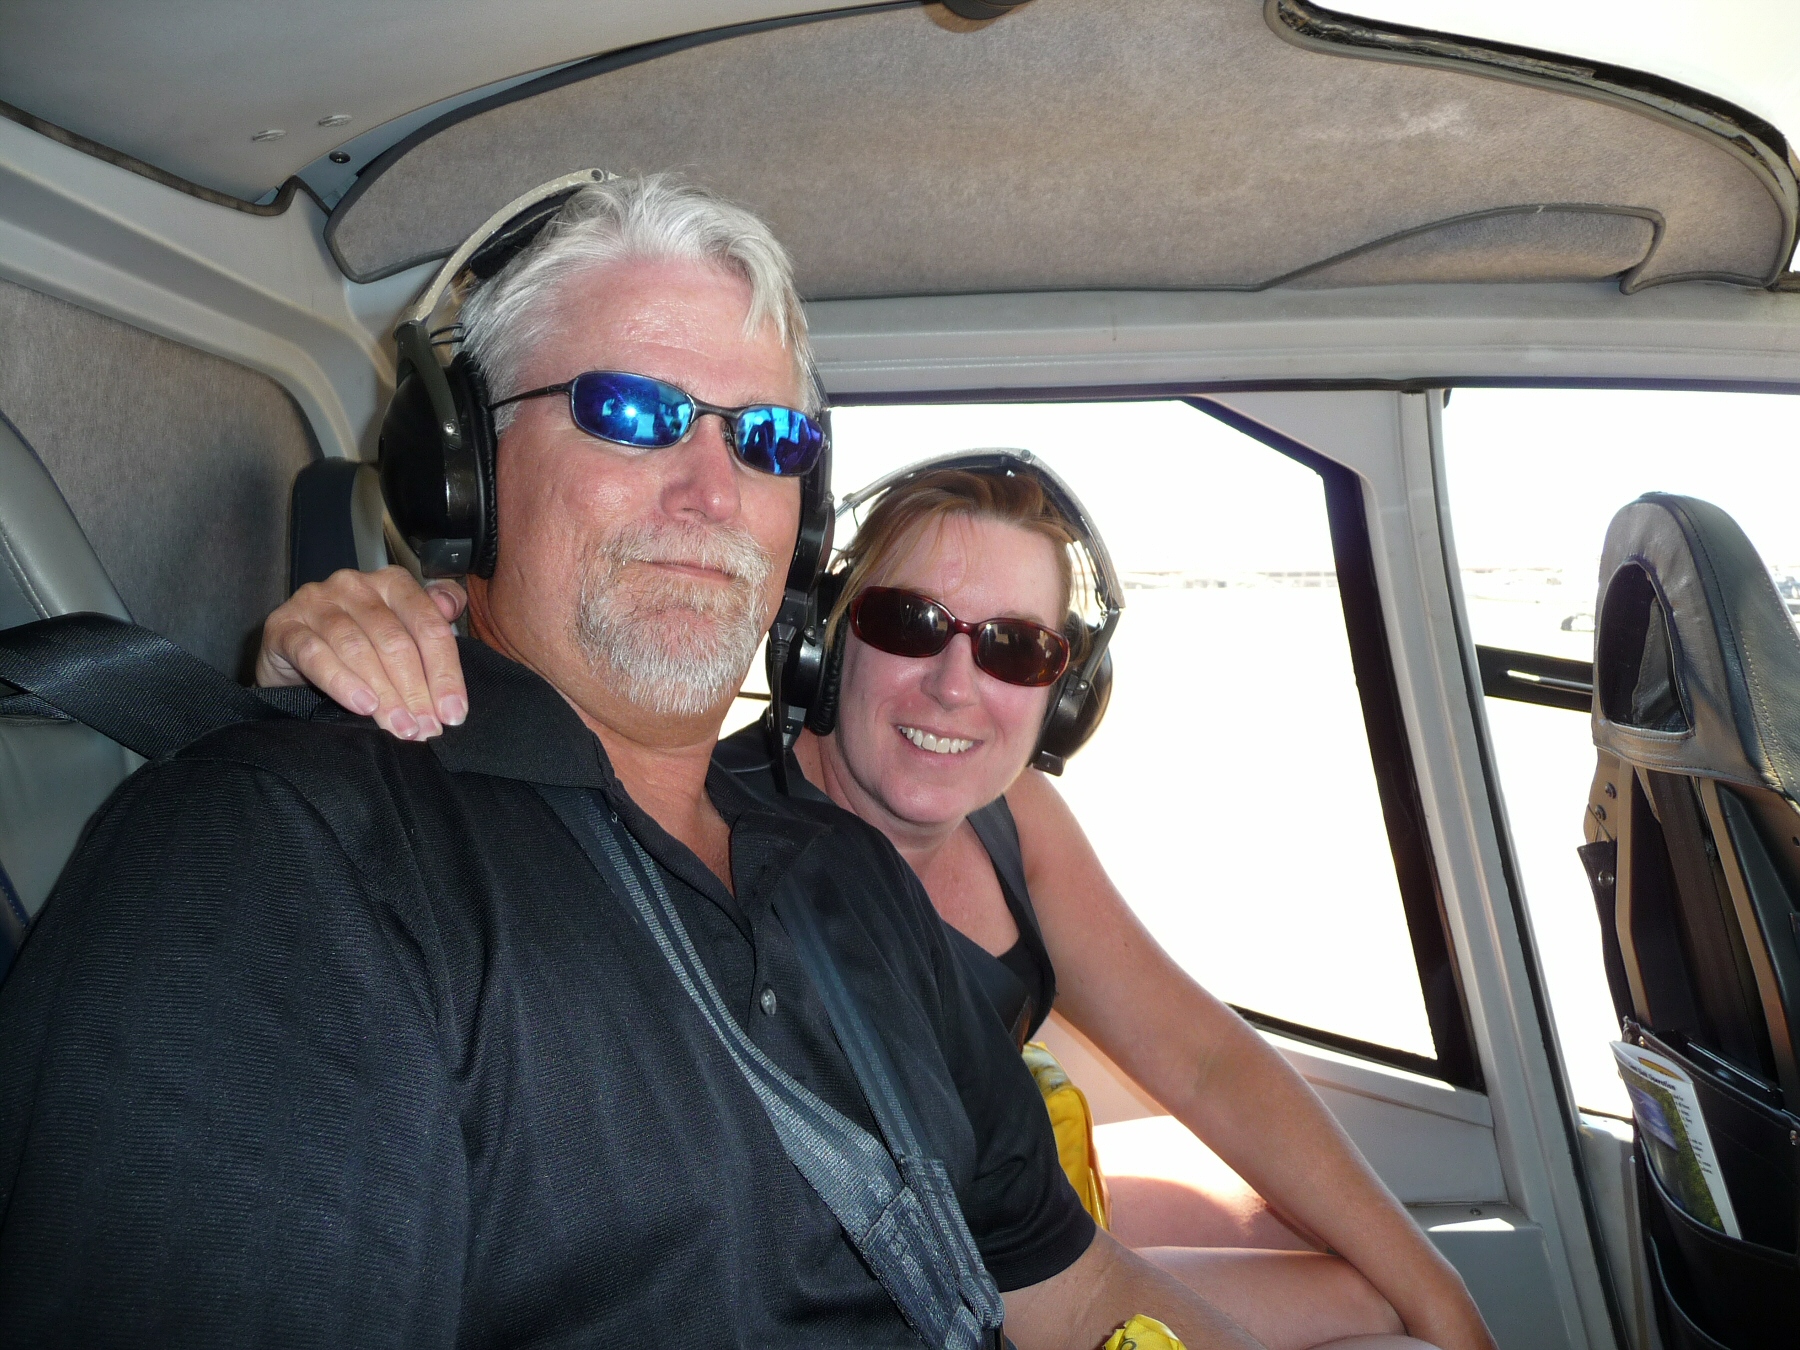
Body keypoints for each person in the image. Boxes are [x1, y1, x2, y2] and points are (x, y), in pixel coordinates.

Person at [0, 175, 1275, 1348]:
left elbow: (1077, 1293)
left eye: (766, 439)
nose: (712, 491)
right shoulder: (279, 860)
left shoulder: (851, 879)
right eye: (630, 413)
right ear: (466, 477)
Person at [254, 464, 1495, 1350]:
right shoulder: (714, 840)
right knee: (1369, 1320)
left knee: (1390, 1295)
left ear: (1062, 696)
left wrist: (1452, 1301)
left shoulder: (1019, 820)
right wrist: (340, 651)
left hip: (1018, 1223)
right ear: (822, 645)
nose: (957, 685)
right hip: (911, 1279)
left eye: (1017, 648)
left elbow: (1206, 1058)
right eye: (911, 625)